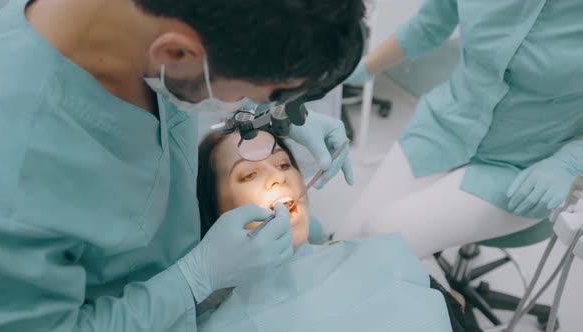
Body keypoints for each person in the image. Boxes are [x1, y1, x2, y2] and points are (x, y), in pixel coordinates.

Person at [0, 0, 365, 331]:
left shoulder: (139, 27)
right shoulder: (16, 171)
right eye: (258, 92)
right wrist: (192, 280)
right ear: (176, 53)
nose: (255, 102)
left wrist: (275, 113)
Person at [336, 0, 583, 257]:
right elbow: (429, 25)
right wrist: (363, 68)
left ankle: (443, 292)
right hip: (445, 124)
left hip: (526, 167)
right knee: (345, 241)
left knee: (381, 237)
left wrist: (569, 162)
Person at [194, 130, 478, 332]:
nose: (279, 176)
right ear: (215, 210)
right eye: (249, 174)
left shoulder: (383, 253)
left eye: (283, 164)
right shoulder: (223, 322)